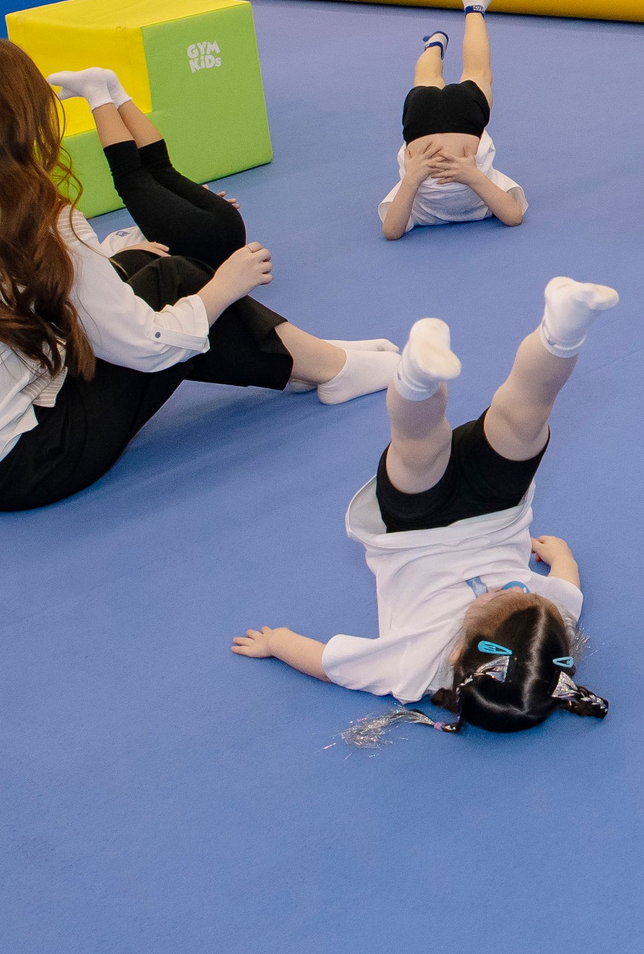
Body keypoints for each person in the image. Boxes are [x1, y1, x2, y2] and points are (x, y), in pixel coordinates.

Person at [0, 40, 397, 511]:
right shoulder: (46, 222)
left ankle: (313, 361)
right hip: (25, 465)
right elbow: (146, 346)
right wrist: (226, 285)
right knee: (184, 285)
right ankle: (328, 365)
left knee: (141, 266)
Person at [230, 282, 620, 736]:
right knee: (504, 422)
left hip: (436, 526)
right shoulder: (541, 635)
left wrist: (278, 643)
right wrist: (563, 558)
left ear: (455, 654)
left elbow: (324, 662)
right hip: (472, 518)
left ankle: (423, 373)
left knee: (438, 441)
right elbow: (568, 590)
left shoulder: (415, 668)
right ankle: (556, 332)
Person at [380, 0, 527, 239]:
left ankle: (472, 8)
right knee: (427, 79)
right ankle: (434, 46)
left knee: (478, 74)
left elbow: (391, 232)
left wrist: (413, 179)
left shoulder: (483, 206)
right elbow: (513, 216)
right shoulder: (422, 213)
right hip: (426, 129)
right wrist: (471, 176)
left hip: (453, 132)